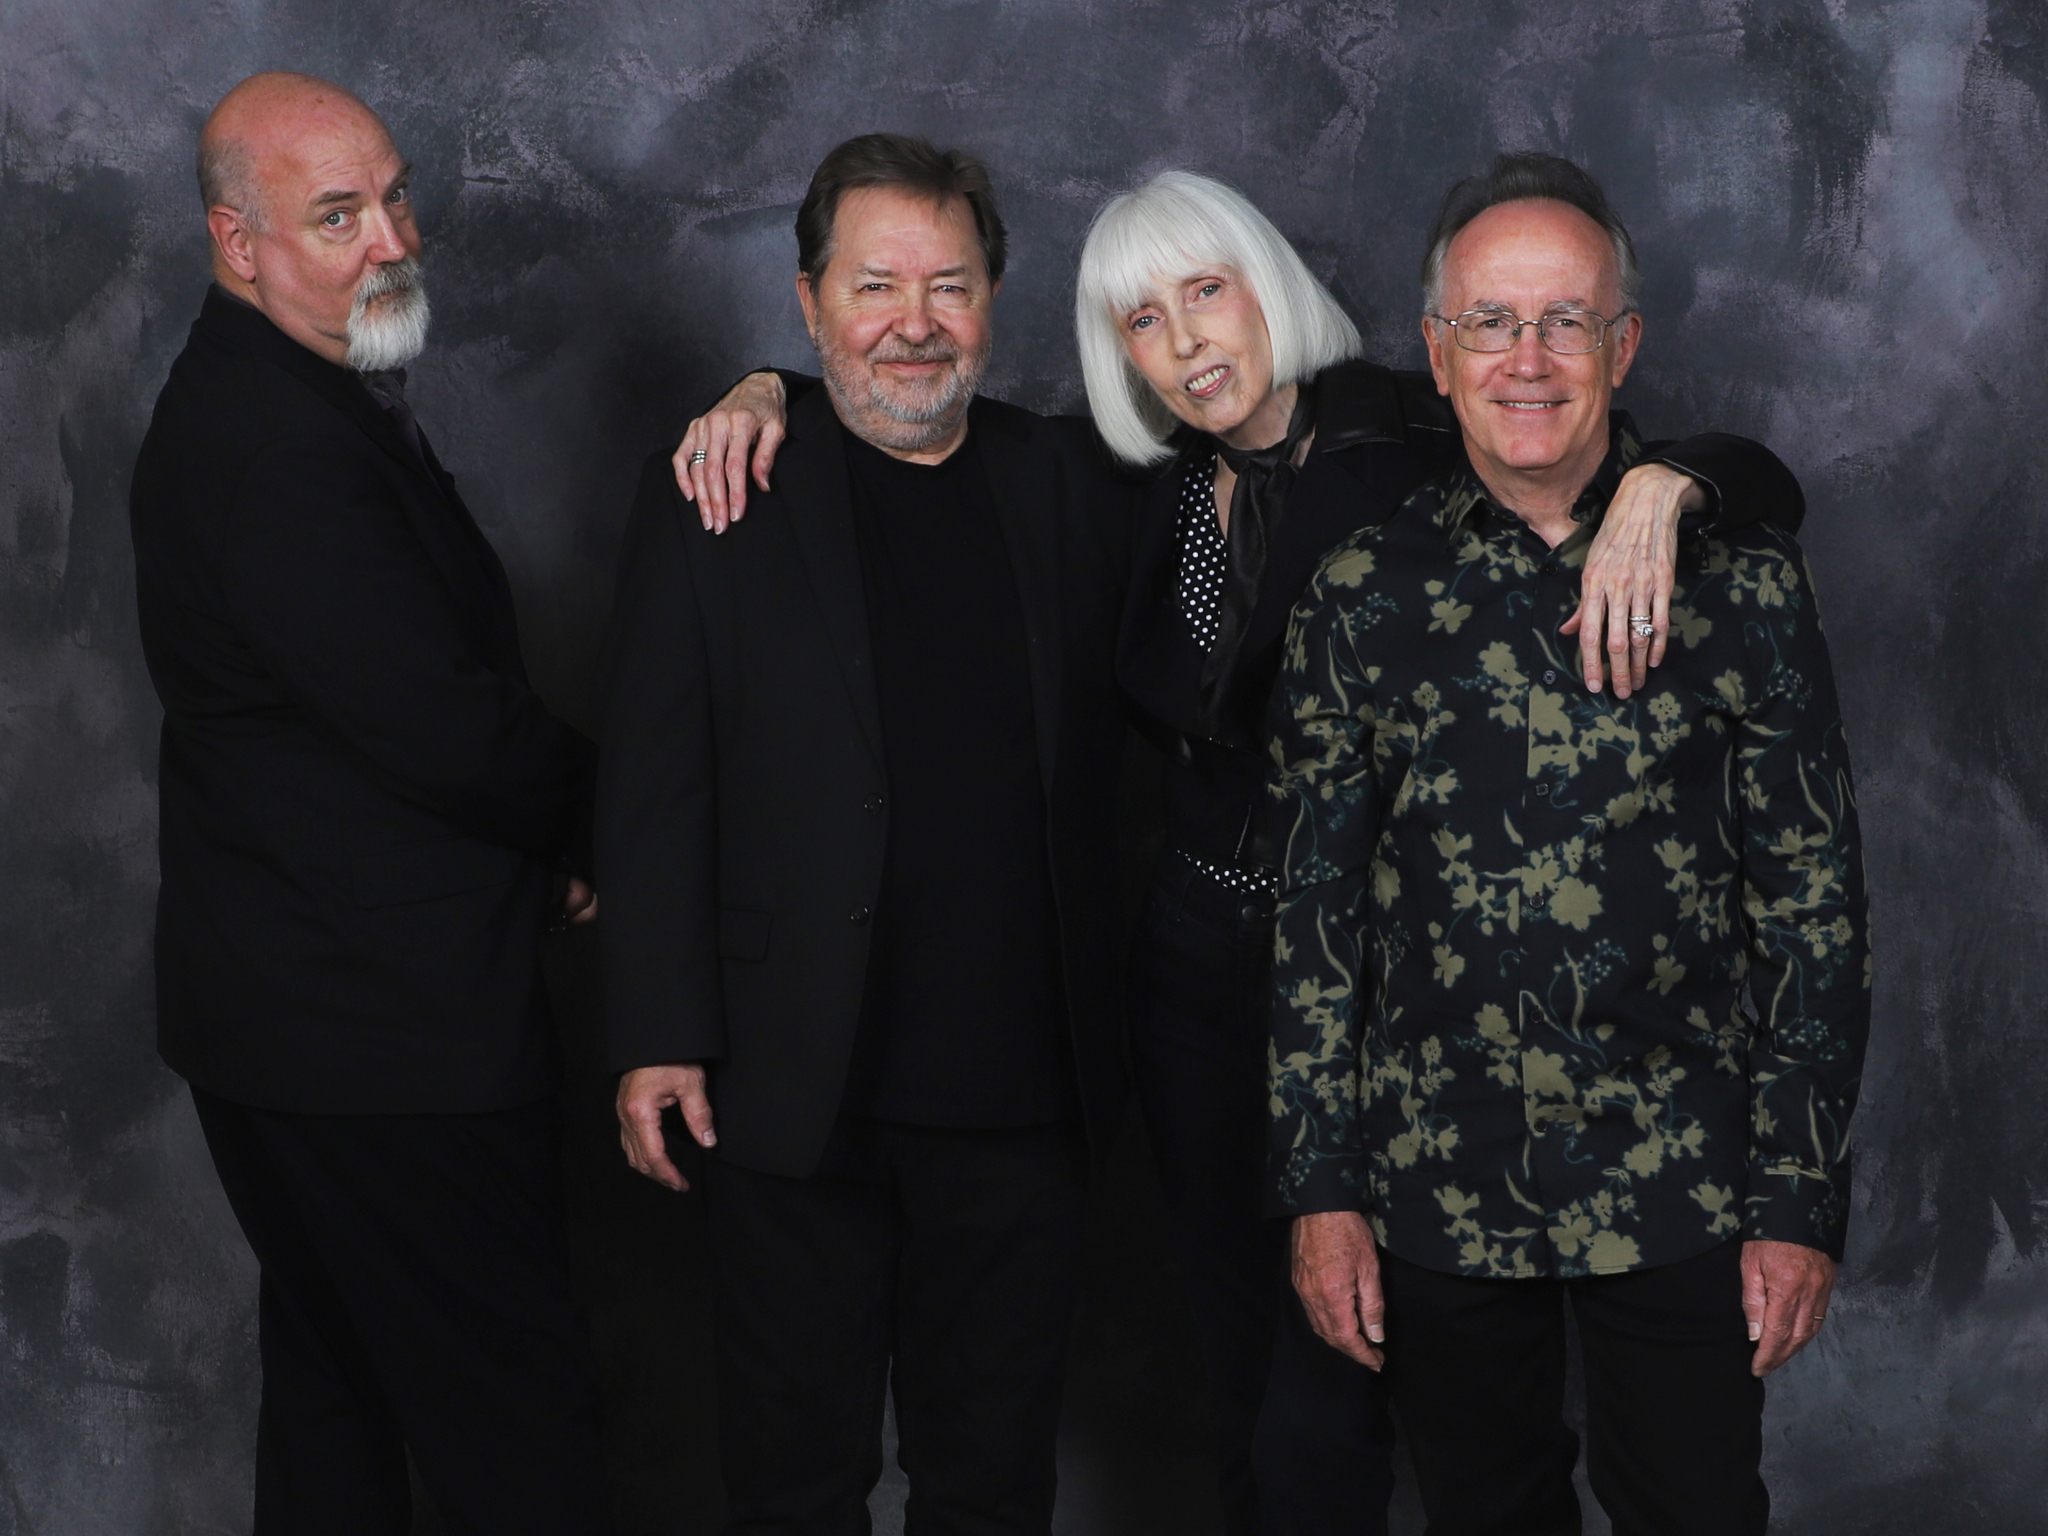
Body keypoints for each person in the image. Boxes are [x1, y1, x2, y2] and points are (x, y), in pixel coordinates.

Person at [672, 167, 1803, 1535]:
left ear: (1269, 282)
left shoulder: (1415, 425)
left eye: (1207, 290)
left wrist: (1676, 480)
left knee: (1349, 1379)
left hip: (1379, 984)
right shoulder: (1128, 481)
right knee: (1241, 1358)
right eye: (1143, 319)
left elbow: (1652, 445)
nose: (1188, 339)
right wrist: (768, 391)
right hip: (1195, 982)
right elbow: (909, 402)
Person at [1269, 152, 1869, 1536]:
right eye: (1490, 321)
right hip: (1437, 1174)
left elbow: (1814, 910)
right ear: (1438, 353)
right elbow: (1316, 913)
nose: (1526, 359)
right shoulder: (1361, 598)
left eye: (1565, 322)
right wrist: (1322, 1191)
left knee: (1697, 1511)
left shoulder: (1744, 586)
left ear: (1624, 345)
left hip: (1687, 1176)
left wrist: (1797, 1199)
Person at [599, 134, 1132, 1535]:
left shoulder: (1076, 484)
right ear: (808, 300)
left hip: (1023, 1105)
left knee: (992, 1490)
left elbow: (1290, 438)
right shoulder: (718, 493)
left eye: (949, 285)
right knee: (794, 1489)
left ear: (994, 298)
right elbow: (653, 786)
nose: (914, 322)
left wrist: (1664, 478)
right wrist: (655, 1027)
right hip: (789, 1095)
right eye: (875, 286)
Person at [128, 72, 610, 1534]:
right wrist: (608, 825)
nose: (392, 241)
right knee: (517, 1443)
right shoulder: (276, 446)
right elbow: (445, 726)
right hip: (379, 1046)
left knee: (337, 1413)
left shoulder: (292, 389)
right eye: (337, 216)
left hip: (305, 1026)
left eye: (396, 198)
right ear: (240, 244)